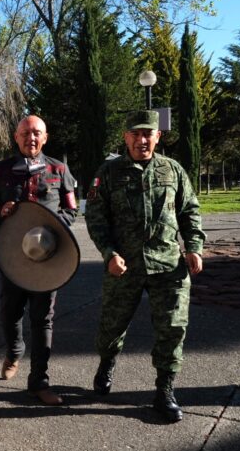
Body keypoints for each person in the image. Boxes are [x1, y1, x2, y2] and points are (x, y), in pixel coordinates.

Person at [85, 110, 205, 423]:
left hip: (168, 265)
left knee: (172, 329)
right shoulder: (109, 172)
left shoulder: (173, 170)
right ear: (125, 137)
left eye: (148, 133)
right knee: (112, 325)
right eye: (135, 134)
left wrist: (194, 248)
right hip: (124, 266)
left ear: (157, 136)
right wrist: (109, 253)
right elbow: (96, 218)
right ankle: (107, 362)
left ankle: (165, 390)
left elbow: (190, 211)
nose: (142, 139)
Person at [0, 115, 77, 406]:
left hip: (49, 257)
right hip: (12, 255)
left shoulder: (59, 170)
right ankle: (14, 351)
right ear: (16, 137)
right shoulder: (0, 171)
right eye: (25, 133)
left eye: (37, 133)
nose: (31, 138)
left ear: (45, 138)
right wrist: (1, 211)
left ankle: (39, 382)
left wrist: (56, 222)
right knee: (10, 312)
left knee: (43, 318)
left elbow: (72, 210)